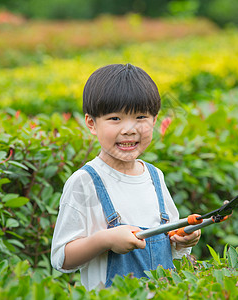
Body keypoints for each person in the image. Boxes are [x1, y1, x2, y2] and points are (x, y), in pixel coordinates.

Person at [50, 63, 201, 290]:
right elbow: (62, 258)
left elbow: (170, 244)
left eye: (140, 117)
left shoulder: (154, 176)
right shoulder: (85, 182)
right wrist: (105, 240)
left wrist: (184, 238)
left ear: (154, 120)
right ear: (91, 123)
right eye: (115, 118)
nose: (129, 129)